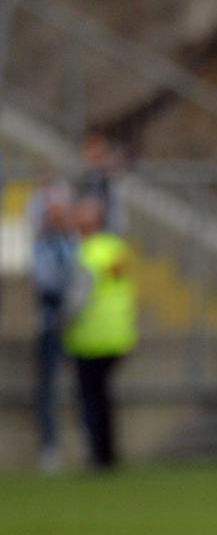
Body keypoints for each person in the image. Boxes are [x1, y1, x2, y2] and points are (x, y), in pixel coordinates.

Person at [64, 198, 137, 470]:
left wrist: (62, 324)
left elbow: (77, 300)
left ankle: (99, 456)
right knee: (104, 398)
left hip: (90, 337)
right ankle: (108, 453)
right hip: (118, 335)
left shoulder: (86, 253)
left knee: (90, 399)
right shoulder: (115, 248)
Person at [30, 182, 78, 472]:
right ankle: (50, 447)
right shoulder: (42, 244)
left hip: (75, 323)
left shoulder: (73, 242)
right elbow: (46, 283)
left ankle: (86, 443)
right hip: (50, 323)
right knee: (47, 388)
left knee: (81, 388)